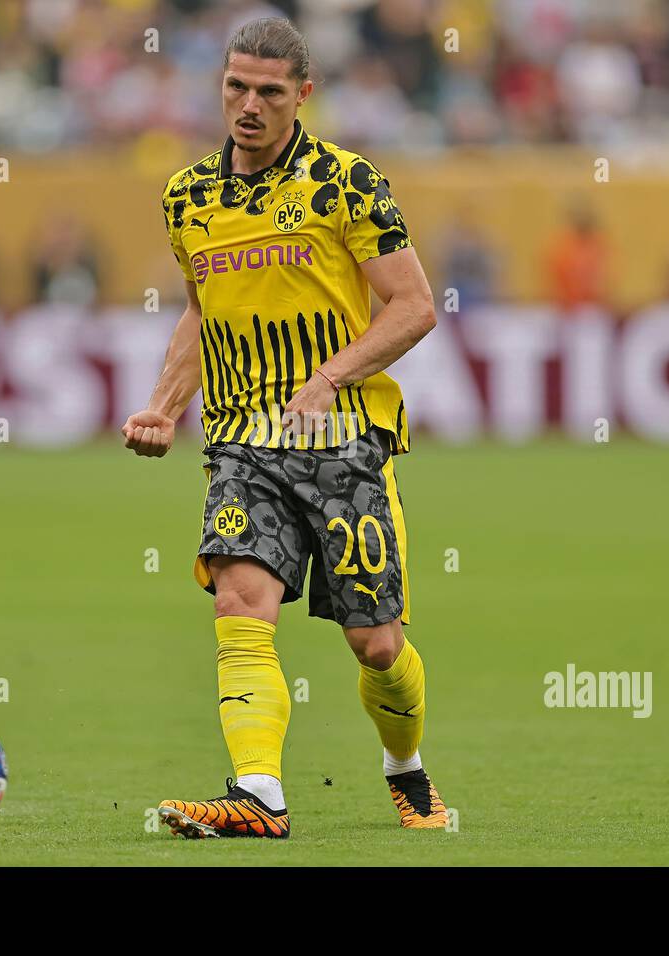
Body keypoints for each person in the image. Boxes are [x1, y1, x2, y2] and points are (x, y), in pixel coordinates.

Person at [121, 17, 443, 839]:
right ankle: (258, 796)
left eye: (269, 90)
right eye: (236, 86)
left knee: (376, 645)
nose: (249, 105)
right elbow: (200, 313)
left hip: (341, 441)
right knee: (240, 599)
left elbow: (413, 306)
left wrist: (330, 378)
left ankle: (405, 769)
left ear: (304, 94)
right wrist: (165, 404)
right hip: (240, 440)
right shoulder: (186, 196)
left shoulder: (346, 183)